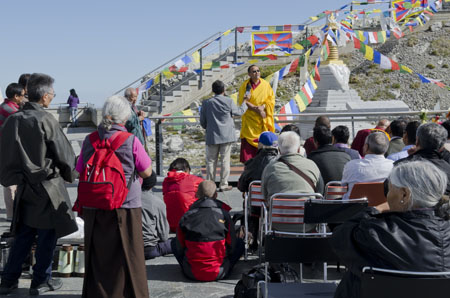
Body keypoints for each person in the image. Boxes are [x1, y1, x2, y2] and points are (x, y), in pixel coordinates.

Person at [0, 73, 78, 295]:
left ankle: (8, 280)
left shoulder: (12, 120)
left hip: (24, 186)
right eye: (52, 95)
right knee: (46, 236)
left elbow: (5, 157)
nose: (52, 98)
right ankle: (41, 281)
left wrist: (13, 179)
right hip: (47, 186)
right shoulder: (45, 119)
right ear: (44, 97)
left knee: (23, 235)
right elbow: (65, 155)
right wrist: (69, 173)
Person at [331, 161, 450, 298]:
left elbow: (339, 238)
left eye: (389, 188)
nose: (386, 195)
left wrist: (375, 209)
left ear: (404, 194)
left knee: (354, 274)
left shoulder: (374, 233)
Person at [76, 95, 151, 298]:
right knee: (129, 253)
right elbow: (146, 172)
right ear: (125, 118)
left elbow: (79, 169)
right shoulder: (130, 140)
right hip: (126, 204)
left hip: (94, 204)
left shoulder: (90, 139)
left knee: (98, 254)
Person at [172, 180, 244, 281]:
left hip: (191, 272)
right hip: (220, 271)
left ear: (197, 195)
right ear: (216, 195)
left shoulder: (187, 216)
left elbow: (180, 247)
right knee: (240, 243)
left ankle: (192, 264)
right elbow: (232, 245)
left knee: (173, 242)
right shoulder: (224, 215)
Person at [261, 131, 323, 232]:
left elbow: (264, 195)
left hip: (277, 226)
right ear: (299, 149)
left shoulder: (270, 168)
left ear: (279, 150)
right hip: (307, 226)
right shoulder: (312, 165)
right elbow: (320, 194)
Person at [200, 80, 247, 191]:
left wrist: (208, 127)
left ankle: (210, 184)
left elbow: (203, 121)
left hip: (212, 135)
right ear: (223, 90)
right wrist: (245, 102)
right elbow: (239, 112)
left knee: (211, 161)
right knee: (225, 160)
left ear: (213, 90)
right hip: (226, 135)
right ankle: (223, 184)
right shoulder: (229, 101)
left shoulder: (206, 103)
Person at [395, 123, 450, 194]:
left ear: (417, 141)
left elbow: (387, 189)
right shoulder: (447, 168)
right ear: (442, 146)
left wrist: (410, 157)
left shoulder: (400, 167)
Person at [238, 65, 275, 163]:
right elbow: (243, 100)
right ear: (249, 74)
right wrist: (256, 109)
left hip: (262, 119)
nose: (257, 73)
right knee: (249, 153)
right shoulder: (245, 85)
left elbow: (271, 100)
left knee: (263, 147)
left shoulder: (266, 84)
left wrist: (262, 107)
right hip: (250, 120)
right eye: (254, 71)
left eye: (258, 70)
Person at [0, 83, 26, 221]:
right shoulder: (11, 111)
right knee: (11, 183)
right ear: (15, 96)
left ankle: (12, 213)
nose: (23, 98)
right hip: (7, 150)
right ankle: (12, 214)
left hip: (6, 149)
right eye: (22, 96)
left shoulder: (5, 107)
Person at [341, 131, 394, 200]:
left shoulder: (351, 165)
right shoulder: (394, 166)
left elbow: (343, 185)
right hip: (383, 208)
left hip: (354, 208)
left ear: (366, 147)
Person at [162, 158, 203, 232]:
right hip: (189, 225)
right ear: (187, 170)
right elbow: (208, 188)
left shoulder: (166, 181)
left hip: (170, 225)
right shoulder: (195, 180)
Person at [141, 172, 172, 260]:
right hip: (149, 249)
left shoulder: (127, 198)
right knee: (175, 242)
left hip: (129, 248)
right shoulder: (158, 203)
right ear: (152, 184)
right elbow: (164, 236)